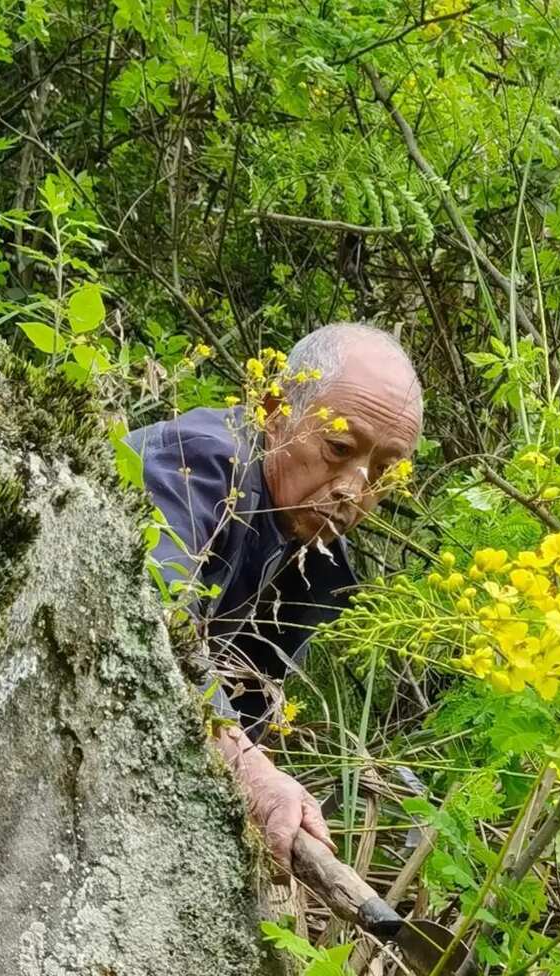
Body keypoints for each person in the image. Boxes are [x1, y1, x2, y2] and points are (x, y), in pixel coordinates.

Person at [125, 322, 422, 873]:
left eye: (384, 471)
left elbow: (249, 714)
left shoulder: (316, 555)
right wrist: (253, 775)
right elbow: (149, 626)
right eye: (338, 448)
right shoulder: (195, 465)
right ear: (274, 409)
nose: (354, 489)